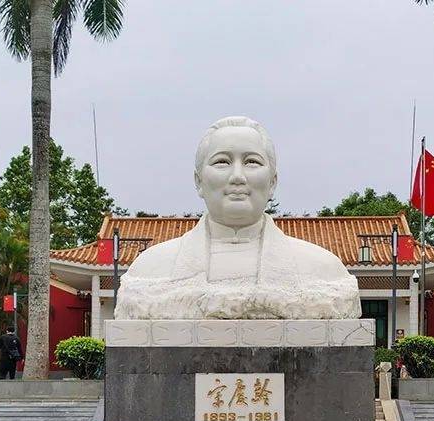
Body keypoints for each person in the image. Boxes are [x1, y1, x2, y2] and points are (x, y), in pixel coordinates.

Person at [115, 116, 360, 320]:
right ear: (199, 181)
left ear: (272, 182)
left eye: (252, 162)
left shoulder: (324, 271)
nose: (237, 176)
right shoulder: (150, 271)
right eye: (222, 162)